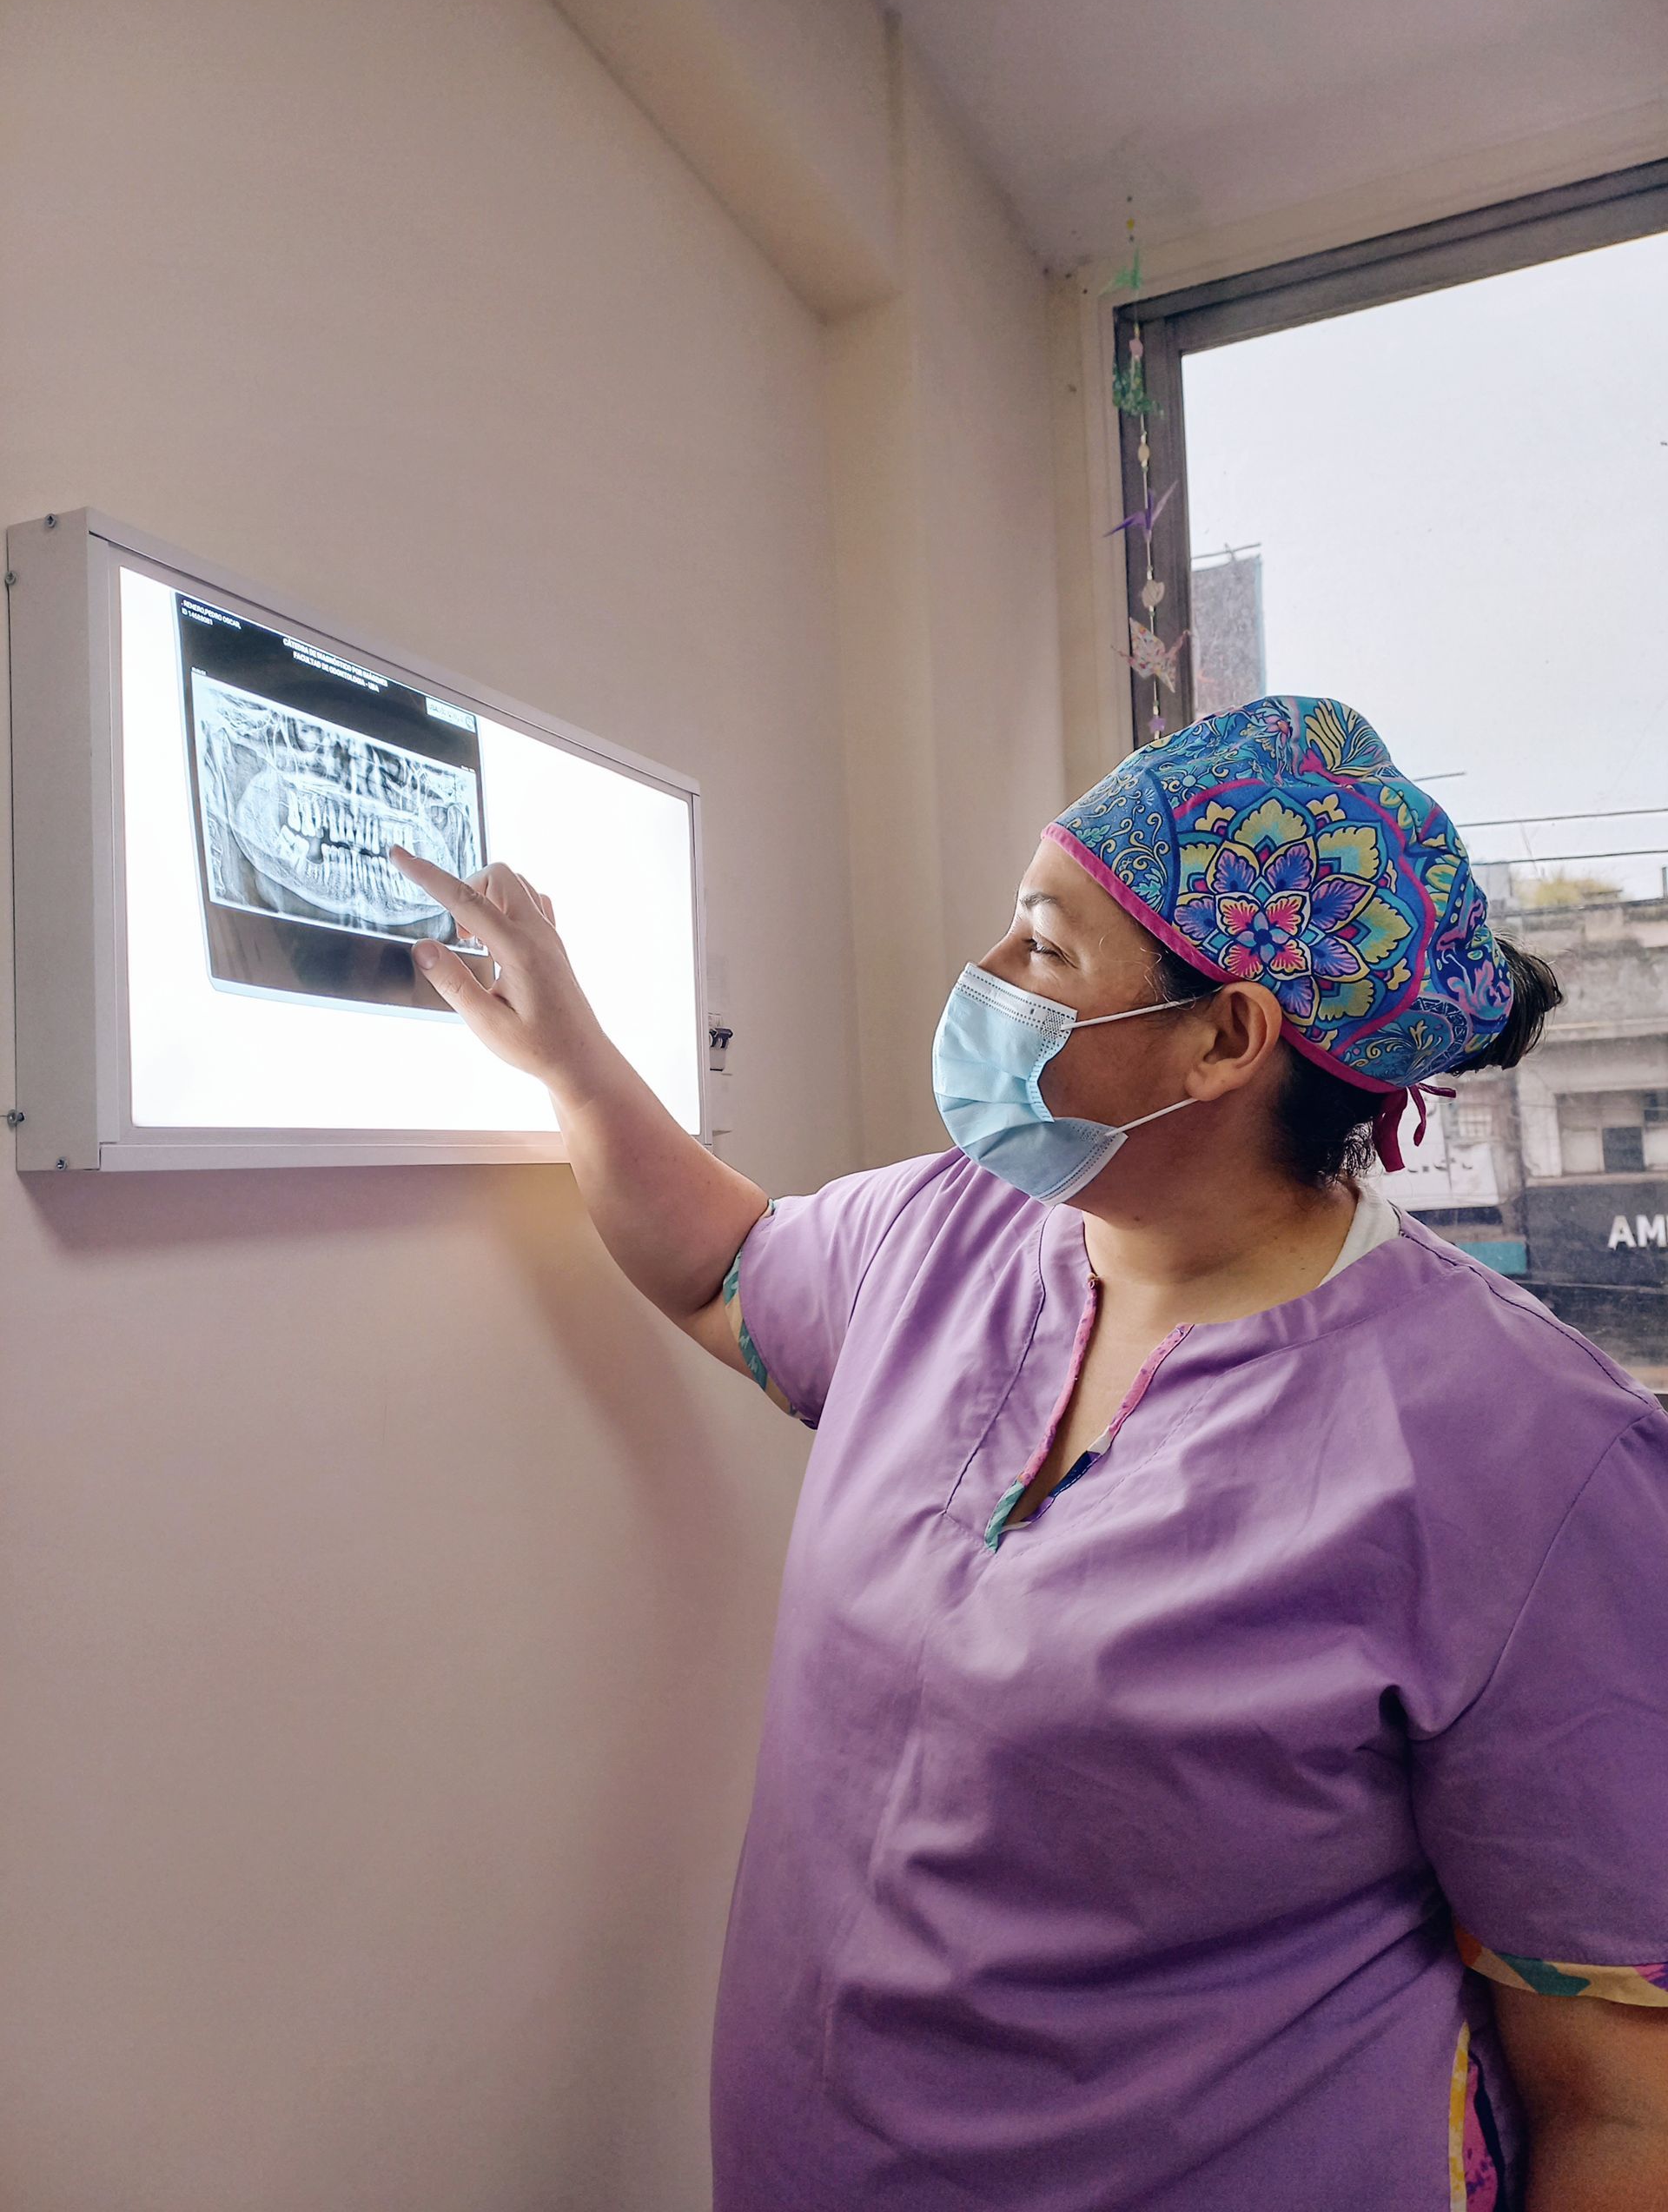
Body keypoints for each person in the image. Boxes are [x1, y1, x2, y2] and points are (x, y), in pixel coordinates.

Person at [390, 694, 1668, 2211]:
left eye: (1046, 948)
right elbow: (719, 1270)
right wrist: (575, 1061)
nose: (986, 980)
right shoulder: (951, 1236)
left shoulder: (1527, 1457)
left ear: (1226, 1037)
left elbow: (1619, 2098)